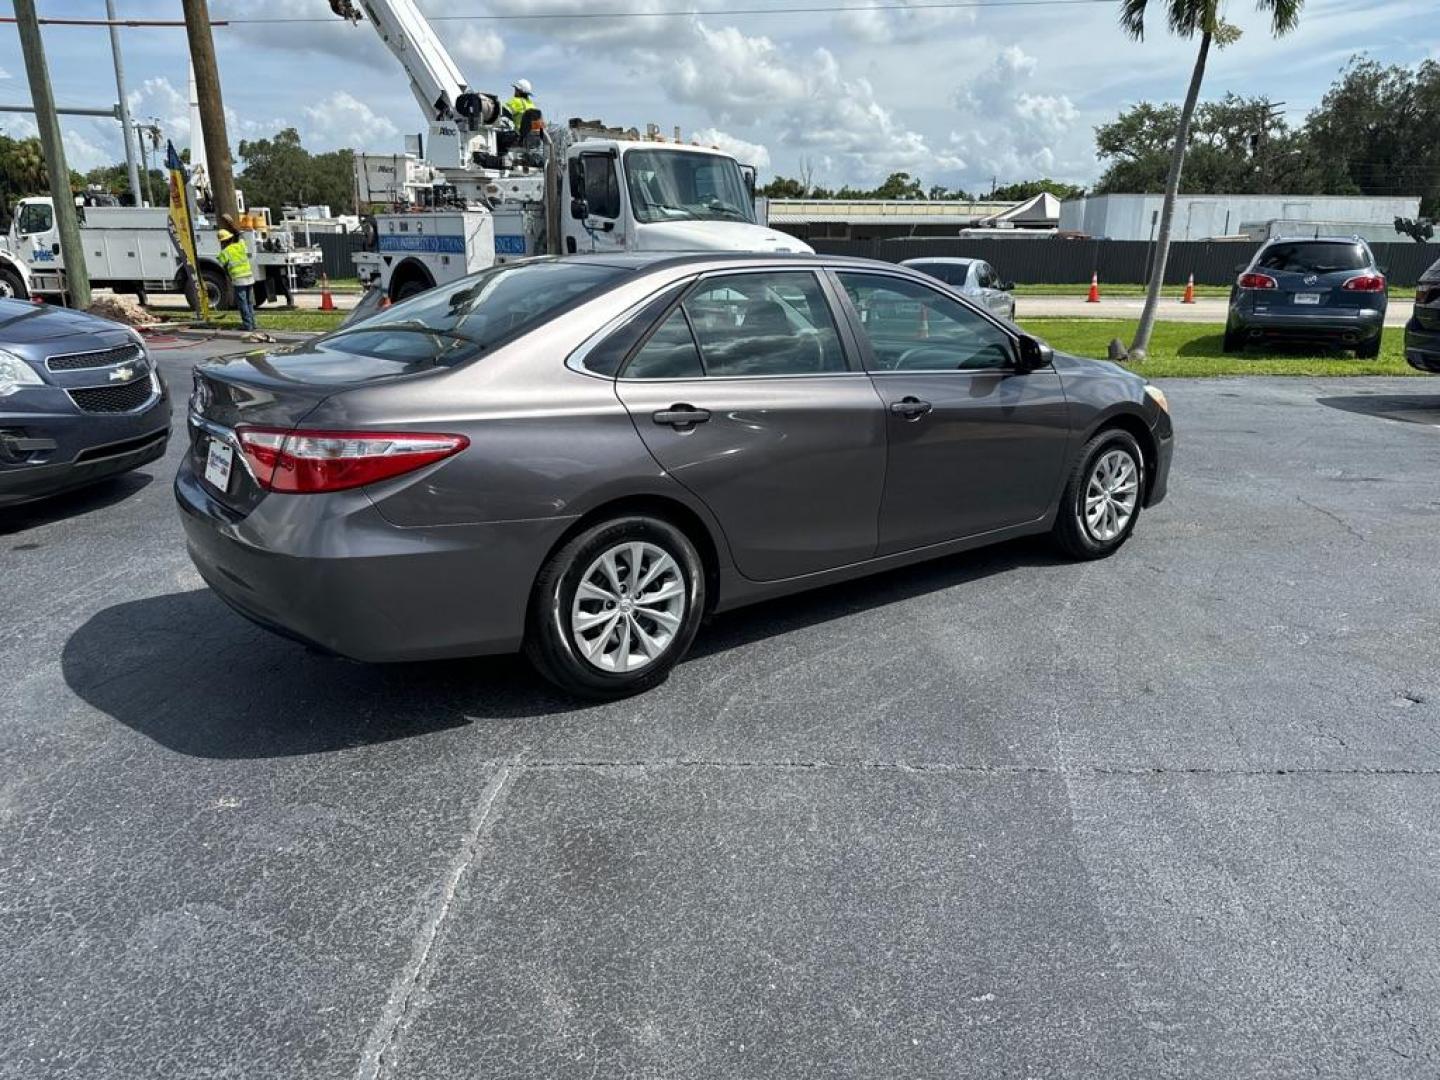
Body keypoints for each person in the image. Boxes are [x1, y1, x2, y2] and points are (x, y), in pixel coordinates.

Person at [215, 228, 257, 332]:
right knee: (249, 302)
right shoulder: (241, 246)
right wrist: (235, 230)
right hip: (249, 277)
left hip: (239, 280)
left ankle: (247, 325)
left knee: (242, 303)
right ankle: (253, 324)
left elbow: (223, 267)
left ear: (222, 242)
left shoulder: (224, 253)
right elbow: (241, 237)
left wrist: (229, 277)